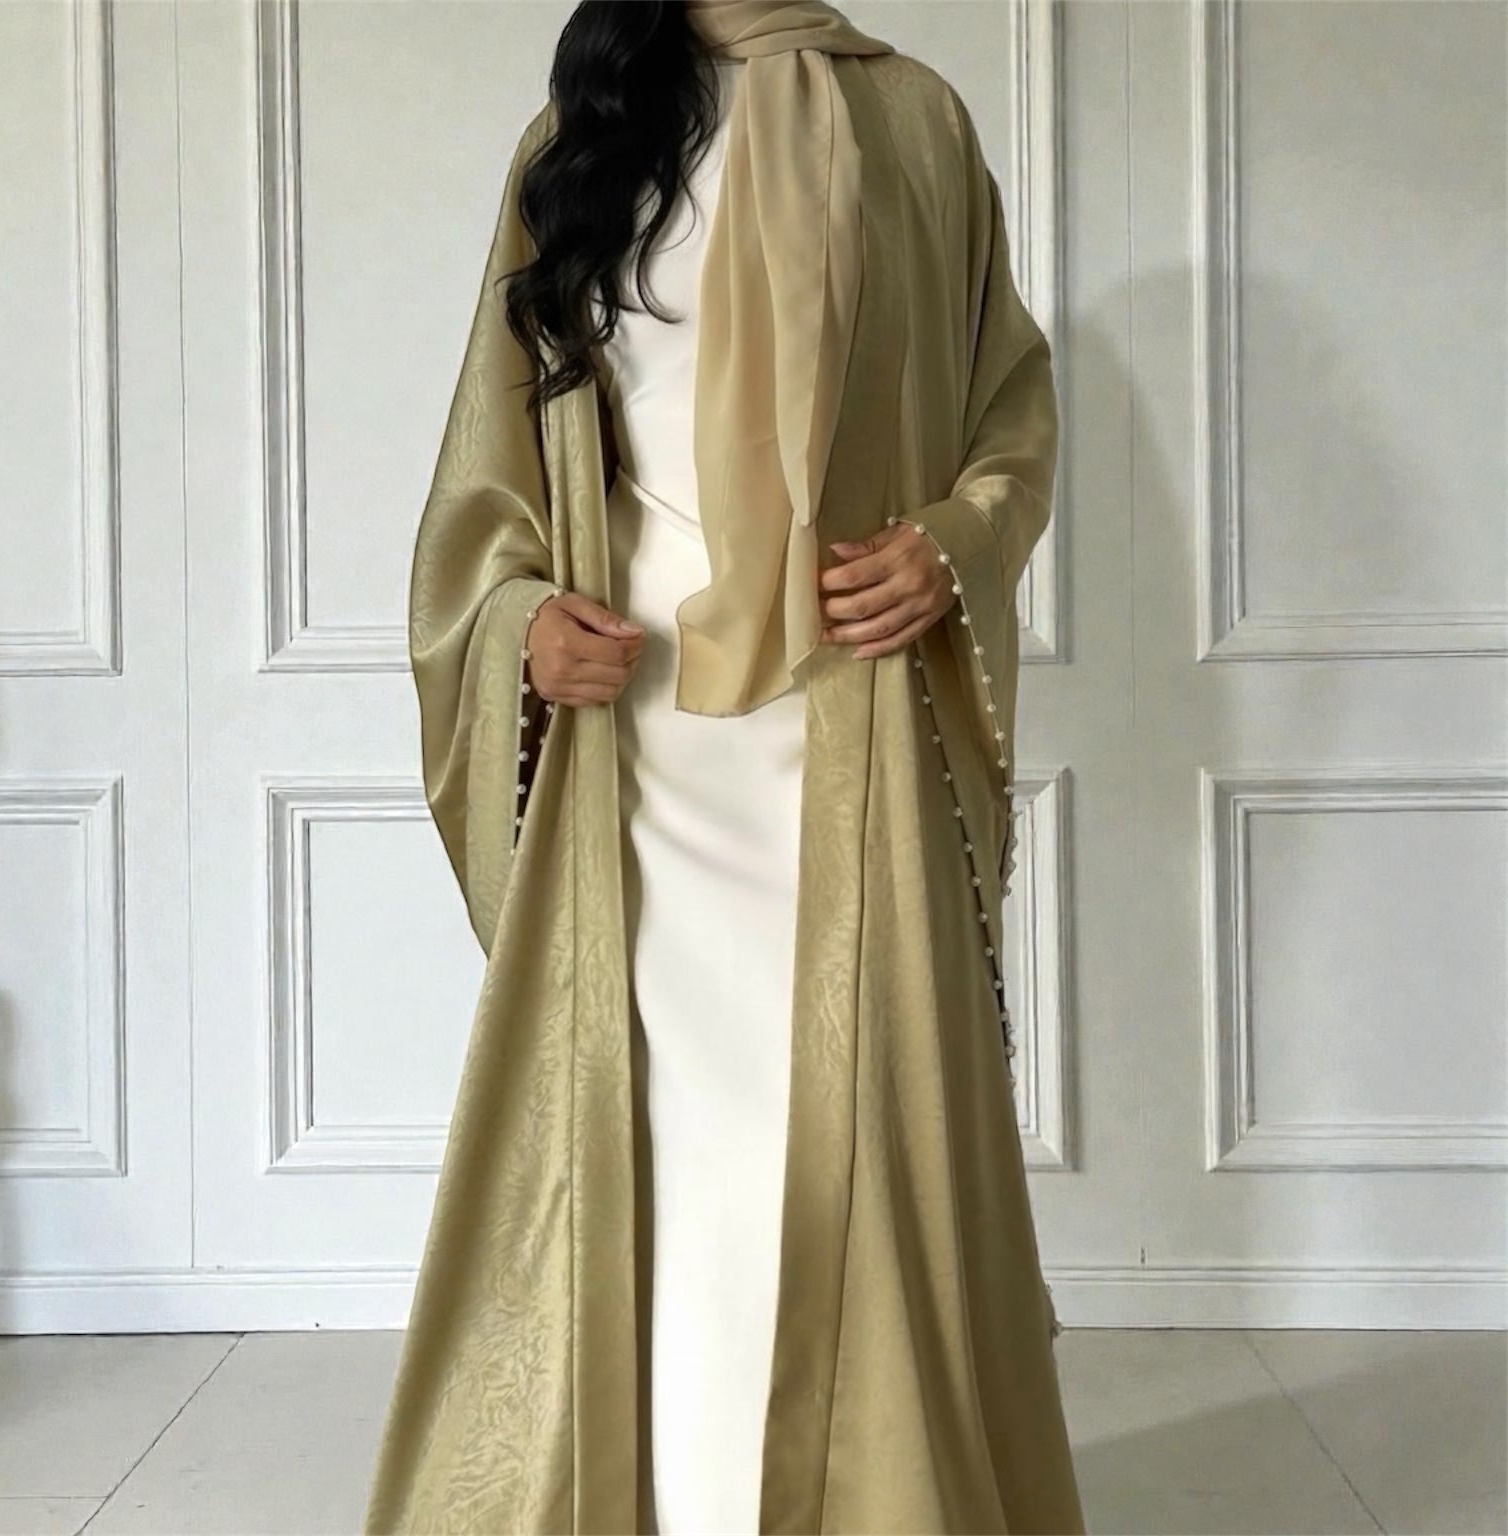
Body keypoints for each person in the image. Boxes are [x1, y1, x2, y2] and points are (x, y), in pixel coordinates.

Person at [363, 1, 1086, 1532]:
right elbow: (489, 479)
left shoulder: (914, 121)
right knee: (662, 1147)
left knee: (843, 1134)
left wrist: (954, 544)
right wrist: (522, 624)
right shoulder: (578, 139)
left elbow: (1009, 404)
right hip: (640, 736)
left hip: (850, 726)